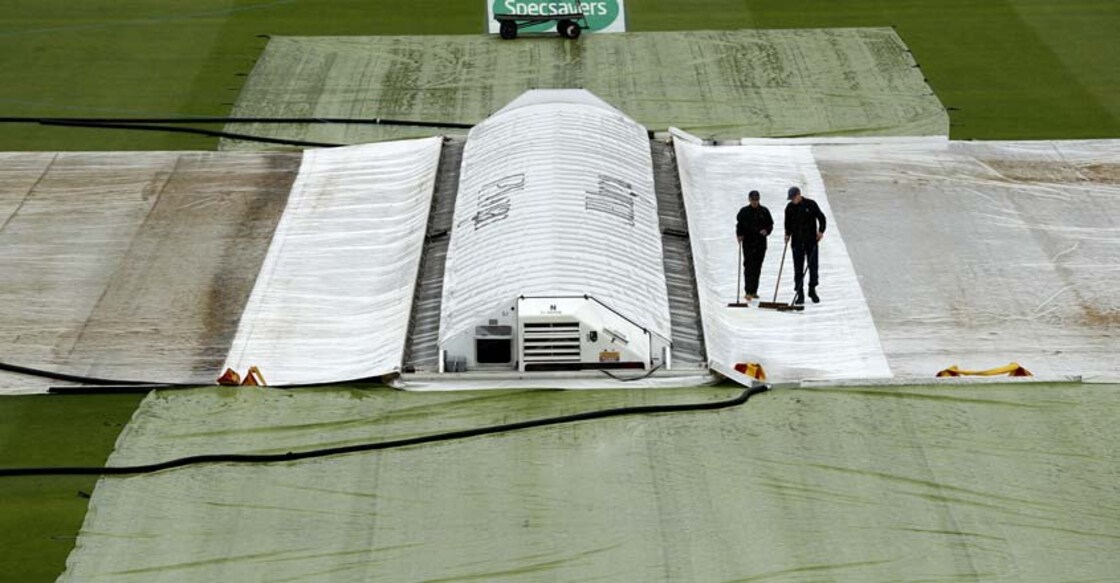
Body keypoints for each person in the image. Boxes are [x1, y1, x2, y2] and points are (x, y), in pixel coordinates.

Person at [784, 186, 826, 304]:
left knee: (813, 267)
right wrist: (787, 234)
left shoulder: (811, 204)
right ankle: (800, 293)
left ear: (799, 195)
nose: (792, 200)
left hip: (811, 241)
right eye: (791, 198)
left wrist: (821, 231)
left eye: (793, 198)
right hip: (796, 242)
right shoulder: (789, 208)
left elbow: (821, 218)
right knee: (798, 269)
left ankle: (812, 289)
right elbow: (787, 223)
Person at [735, 190, 773, 300]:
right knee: (748, 266)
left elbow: (770, 225)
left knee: (757, 267)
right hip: (748, 243)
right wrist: (739, 235)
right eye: (753, 200)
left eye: (756, 200)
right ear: (749, 200)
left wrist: (766, 231)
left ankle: (754, 291)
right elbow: (739, 225)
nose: (755, 202)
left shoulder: (764, 211)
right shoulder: (744, 211)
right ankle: (748, 291)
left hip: (761, 243)